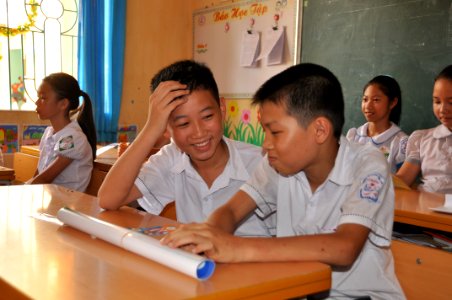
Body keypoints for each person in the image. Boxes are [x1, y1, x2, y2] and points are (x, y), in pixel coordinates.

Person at [161, 63, 405, 299]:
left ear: (319, 130)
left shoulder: (368, 164)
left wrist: (235, 248)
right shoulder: (277, 166)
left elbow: (345, 247)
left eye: (275, 132)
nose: (265, 145)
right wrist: (208, 236)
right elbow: (231, 211)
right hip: (298, 290)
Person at [98, 60, 272, 237]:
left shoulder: (262, 164)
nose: (198, 132)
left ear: (222, 109)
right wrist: (151, 128)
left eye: (207, 116)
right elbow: (108, 199)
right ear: (166, 128)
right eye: (183, 123)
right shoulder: (173, 159)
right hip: (194, 264)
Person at [29, 73, 97, 192]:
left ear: (63, 104)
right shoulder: (49, 132)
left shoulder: (72, 137)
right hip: (51, 199)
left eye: (43, 98)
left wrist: (22, 191)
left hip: (68, 206)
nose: (37, 102)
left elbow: (46, 178)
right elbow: (40, 172)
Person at [396, 65, 452, 194]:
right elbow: (403, 180)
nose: (443, 109)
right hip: (424, 210)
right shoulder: (422, 139)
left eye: (451, 102)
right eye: (437, 102)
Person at [347, 75, 408, 173]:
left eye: (376, 100)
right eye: (365, 99)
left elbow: (403, 183)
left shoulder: (400, 142)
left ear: (393, 102)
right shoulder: (353, 135)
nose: (368, 106)